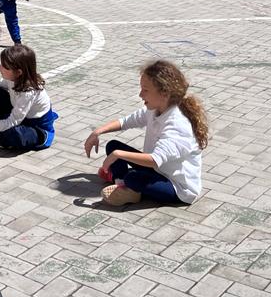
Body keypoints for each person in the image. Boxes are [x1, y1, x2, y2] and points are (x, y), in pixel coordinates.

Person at [84, 60, 208, 207]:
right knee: (113, 145)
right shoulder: (156, 109)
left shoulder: (177, 125)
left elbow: (155, 159)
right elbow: (126, 122)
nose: (140, 94)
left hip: (176, 187)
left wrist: (118, 155)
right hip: (158, 170)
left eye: (145, 90)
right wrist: (97, 132)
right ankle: (122, 185)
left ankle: (129, 187)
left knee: (133, 176)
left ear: (164, 93)